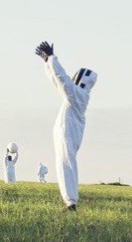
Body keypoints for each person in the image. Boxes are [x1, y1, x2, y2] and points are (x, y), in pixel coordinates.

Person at [35, 40, 97, 211]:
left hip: (68, 133)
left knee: (66, 163)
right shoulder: (77, 95)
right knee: (64, 162)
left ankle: (71, 202)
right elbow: (57, 82)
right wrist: (48, 62)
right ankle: (70, 201)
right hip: (68, 132)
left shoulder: (78, 94)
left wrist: (52, 58)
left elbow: (62, 80)